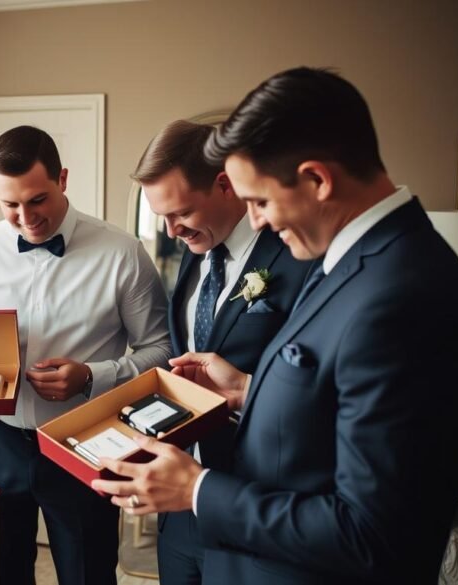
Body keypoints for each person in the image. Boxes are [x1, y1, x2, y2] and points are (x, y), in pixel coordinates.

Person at [92, 67, 458, 584]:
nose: (256, 222)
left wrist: (198, 489)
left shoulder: (406, 294)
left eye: (259, 201)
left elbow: (372, 534)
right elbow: (334, 399)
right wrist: (245, 390)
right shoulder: (358, 262)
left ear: (317, 179)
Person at [0, 125, 171, 585]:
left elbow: (163, 351)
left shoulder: (122, 254)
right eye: (10, 205)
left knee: (87, 572)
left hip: (86, 439)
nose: (26, 217)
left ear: (62, 179)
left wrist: (93, 376)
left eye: (37, 200)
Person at [134, 119, 311, 584]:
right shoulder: (194, 254)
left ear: (225, 183)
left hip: (256, 501)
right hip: (180, 504)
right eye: (163, 218)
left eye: (182, 212)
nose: (172, 230)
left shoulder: (296, 256)